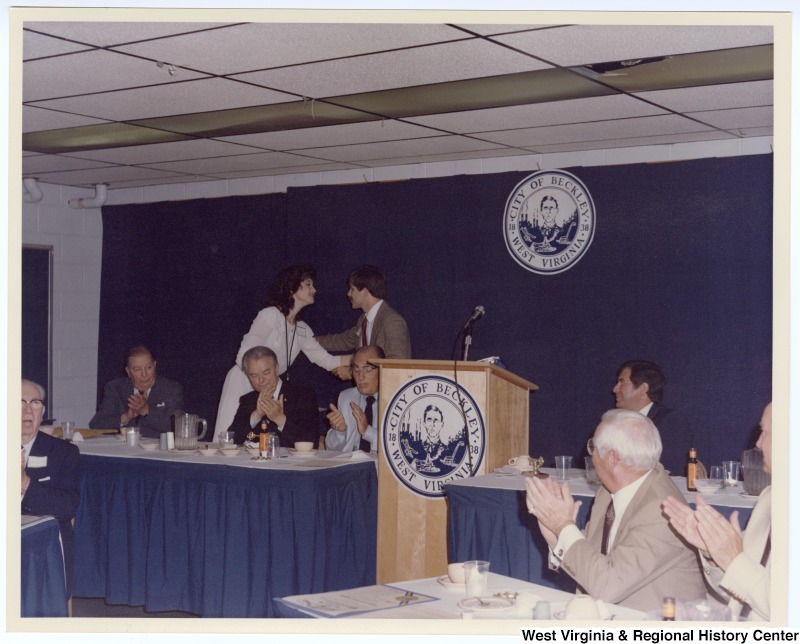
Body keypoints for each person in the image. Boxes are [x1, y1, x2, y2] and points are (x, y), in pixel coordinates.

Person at [525, 408, 706, 612]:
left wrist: (563, 526)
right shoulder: (609, 492)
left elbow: (607, 586)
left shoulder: (663, 512)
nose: (590, 454)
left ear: (612, 458)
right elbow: (594, 561)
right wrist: (555, 537)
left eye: (593, 446)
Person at [214, 264, 350, 441]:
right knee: (226, 439)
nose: (314, 289)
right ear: (292, 288)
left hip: (268, 386)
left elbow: (327, 361)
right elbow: (243, 357)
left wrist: (359, 360)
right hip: (243, 380)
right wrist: (257, 386)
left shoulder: (302, 329)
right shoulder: (270, 315)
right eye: (308, 285)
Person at [663, 402, 772, 621]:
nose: (758, 444)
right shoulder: (770, 496)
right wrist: (714, 555)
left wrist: (734, 560)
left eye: (766, 432)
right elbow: (736, 593)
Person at [21, 379, 80, 597]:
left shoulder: (63, 452)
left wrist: (25, 484)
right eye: (20, 402)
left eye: (34, 403)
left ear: (42, 410)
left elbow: (67, 507)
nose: (28, 409)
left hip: (42, 545)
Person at [315, 265, 411, 377]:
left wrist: (352, 372)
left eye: (352, 289)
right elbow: (342, 341)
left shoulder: (392, 321)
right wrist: (306, 341)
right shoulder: (364, 320)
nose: (348, 294)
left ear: (365, 291)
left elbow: (396, 364)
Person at [612, 360, 693, 475]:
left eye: (622, 382)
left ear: (643, 388)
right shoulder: (616, 421)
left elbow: (670, 470)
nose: (615, 389)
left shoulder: (671, 421)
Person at [228, 346, 319, 448]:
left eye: (266, 372)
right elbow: (230, 440)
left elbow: (311, 442)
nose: (261, 380)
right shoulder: (248, 400)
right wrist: (256, 415)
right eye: (254, 376)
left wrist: (279, 419)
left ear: (277, 368)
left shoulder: (303, 396)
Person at [89, 345, 184, 438]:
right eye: (137, 369)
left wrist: (147, 411)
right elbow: (96, 425)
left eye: (149, 367)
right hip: (123, 451)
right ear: (128, 372)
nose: (144, 374)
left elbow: (178, 427)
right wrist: (126, 417)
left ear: (155, 365)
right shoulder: (115, 388)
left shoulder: (171, 389)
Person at [325, 345, 384, 453]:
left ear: (382, 369)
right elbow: (331, 449)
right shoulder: (346, 397)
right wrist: (340, 432)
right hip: (352, 466)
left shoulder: (395, 399)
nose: (360, 377)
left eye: (367, 369)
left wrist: (367, 431)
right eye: (356, 370)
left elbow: (398, 445)